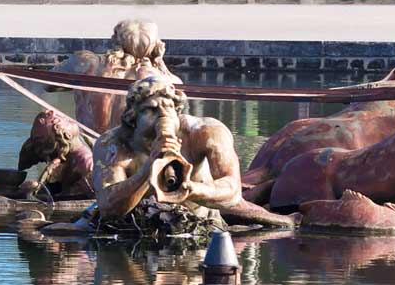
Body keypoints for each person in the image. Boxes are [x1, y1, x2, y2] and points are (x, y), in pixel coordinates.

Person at [89, 75, 292, 229]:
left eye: (169, 108)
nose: (162, 116)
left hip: (201, 223)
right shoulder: (113, 144)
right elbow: (108, 207)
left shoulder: (205, 132)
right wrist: (147, 170)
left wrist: (192, 189)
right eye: (150, 110)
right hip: (132, 227)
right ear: (132, 118)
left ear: (178, 111)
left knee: (270, 222)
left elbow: (232, 190)